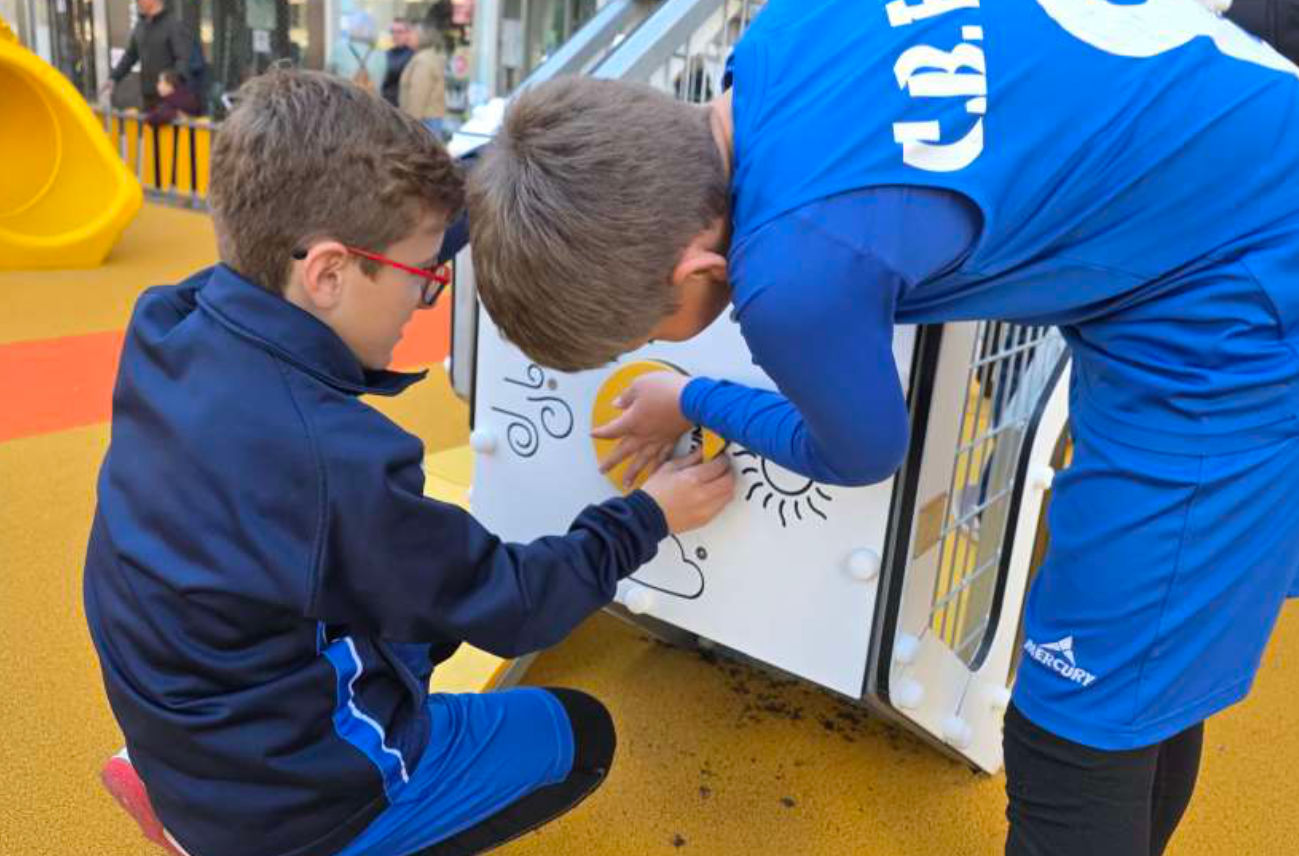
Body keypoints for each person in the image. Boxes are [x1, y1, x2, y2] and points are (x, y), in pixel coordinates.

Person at [464, 2, 1299, 855]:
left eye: (646, 330)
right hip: (1231, 119)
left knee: (1075, 717)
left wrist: (694, 397)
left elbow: (859, 451)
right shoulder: (781, 35)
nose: (648, 345)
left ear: (699, 270)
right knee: (1144, 660)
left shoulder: (792, 275)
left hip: (1237, 290)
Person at [85, 69, 734, 856]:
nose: (427, 299)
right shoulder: (333, 462)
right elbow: (513, 603)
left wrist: (530, 172)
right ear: (327, 274)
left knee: (405, 621)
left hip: (187, 729)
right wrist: (648, 515)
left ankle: (182, 798)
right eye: (427, 278)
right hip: (290, 802)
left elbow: (389, 222)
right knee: (579, 733)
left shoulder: (169, 322)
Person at [101, 0, 191, 110]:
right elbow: (130, 56)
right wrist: (114, 78)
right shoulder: (141, 25)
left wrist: (171, 82)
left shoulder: (173, 26)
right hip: (148, 96)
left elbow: (183, 59)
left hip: (170, 98)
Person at [399, 12, 449, 138]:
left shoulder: (423, 61)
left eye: (412, 33)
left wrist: (409, 126)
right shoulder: (427, 57)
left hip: (424, 121)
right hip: (428, 119)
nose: (408, 36)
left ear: (421, 36)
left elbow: (418, 96)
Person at [382, 17, 416, 107]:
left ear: (408, 33)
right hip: (386, 106)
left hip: (401, 108)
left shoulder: (413, 55)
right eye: (393, 32)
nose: (395, 35)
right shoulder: (387, 53)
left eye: (399, 32)